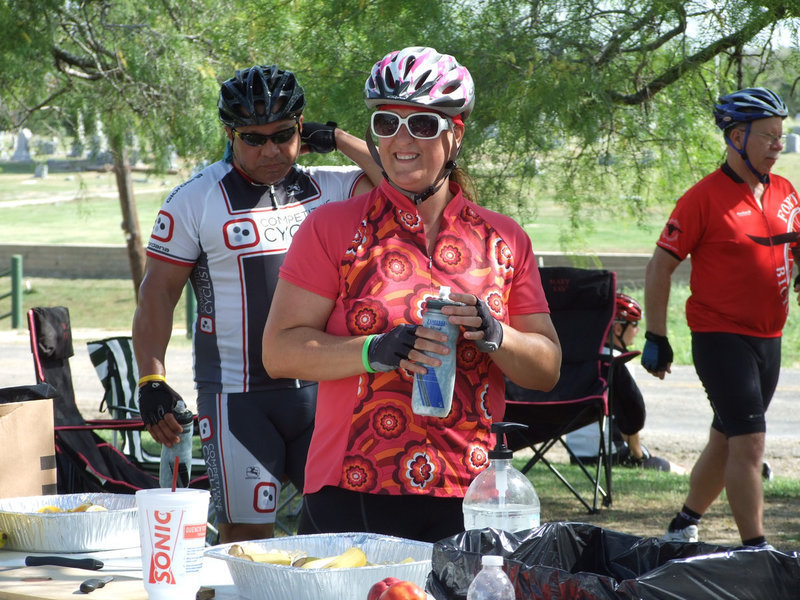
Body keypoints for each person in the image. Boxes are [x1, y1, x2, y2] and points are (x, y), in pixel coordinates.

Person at [262, 46, 562, 543]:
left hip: (473, 491)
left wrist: (495, 334)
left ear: (454, 135)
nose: (402, 140)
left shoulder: (503, 239)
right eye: (386, 123)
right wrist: (373, 350)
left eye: (422, 125)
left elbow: (547, 366)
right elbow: (279, 352)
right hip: (354, 486)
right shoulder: (333, 228)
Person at [132, 64, 382, 543]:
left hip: (323, 391)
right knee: (246, 541)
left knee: (343, 533)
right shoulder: (195, 199)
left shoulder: (328, 188)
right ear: (230, 134)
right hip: (237, 400)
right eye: (252, 138)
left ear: (302, 128)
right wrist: (152, 377)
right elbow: (157, 292)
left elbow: (400, 184)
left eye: (284, 134)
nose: (270, 150)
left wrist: (339, 138)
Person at [642, 87, 799, 548]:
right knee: (749, 443)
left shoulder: (785, 191)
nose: (778, 145)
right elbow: (659, 267)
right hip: (720, 336)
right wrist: (656, 335)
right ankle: (757, 548)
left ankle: (684, 521)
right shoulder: (702, 199)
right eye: (769, 136)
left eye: (781, 135)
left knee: (727, 438)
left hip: (770, 337)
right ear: (735, 136)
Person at [567, 292, 670, 471]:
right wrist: (640, 456)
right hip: (609, 452)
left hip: (577, 453)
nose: (637, 331)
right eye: (635, 325)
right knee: (663, 465)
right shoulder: (618, 363)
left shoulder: (582, 358)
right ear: (617, 329)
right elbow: (630, 416)